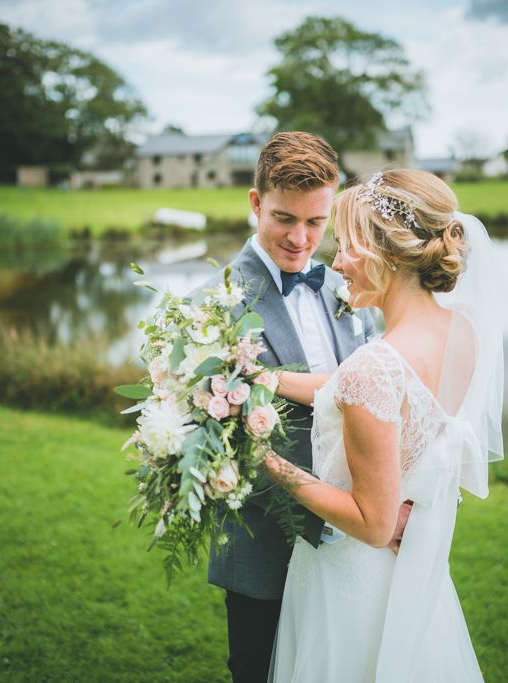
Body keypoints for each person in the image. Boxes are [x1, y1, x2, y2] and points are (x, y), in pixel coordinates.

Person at [264, 169, 505, 681]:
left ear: (387, 254)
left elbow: (373, 524)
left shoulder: (375, 368)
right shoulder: (459, 330)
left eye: (347, 246)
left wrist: (266, 462)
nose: (337, 262)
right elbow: (366, 391)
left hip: (352, 579)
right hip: (413, 574)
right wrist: (266, 378)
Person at [197, 132, 411, 683]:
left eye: (316, 223)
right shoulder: (213, 306)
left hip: (355, 543)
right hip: (267, 545)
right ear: (254, 203)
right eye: (283, 218)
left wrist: (389, 499)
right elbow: (231, 446)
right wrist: (352, 519)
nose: (300, 239)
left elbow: (377, 400)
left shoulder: (348, 285)